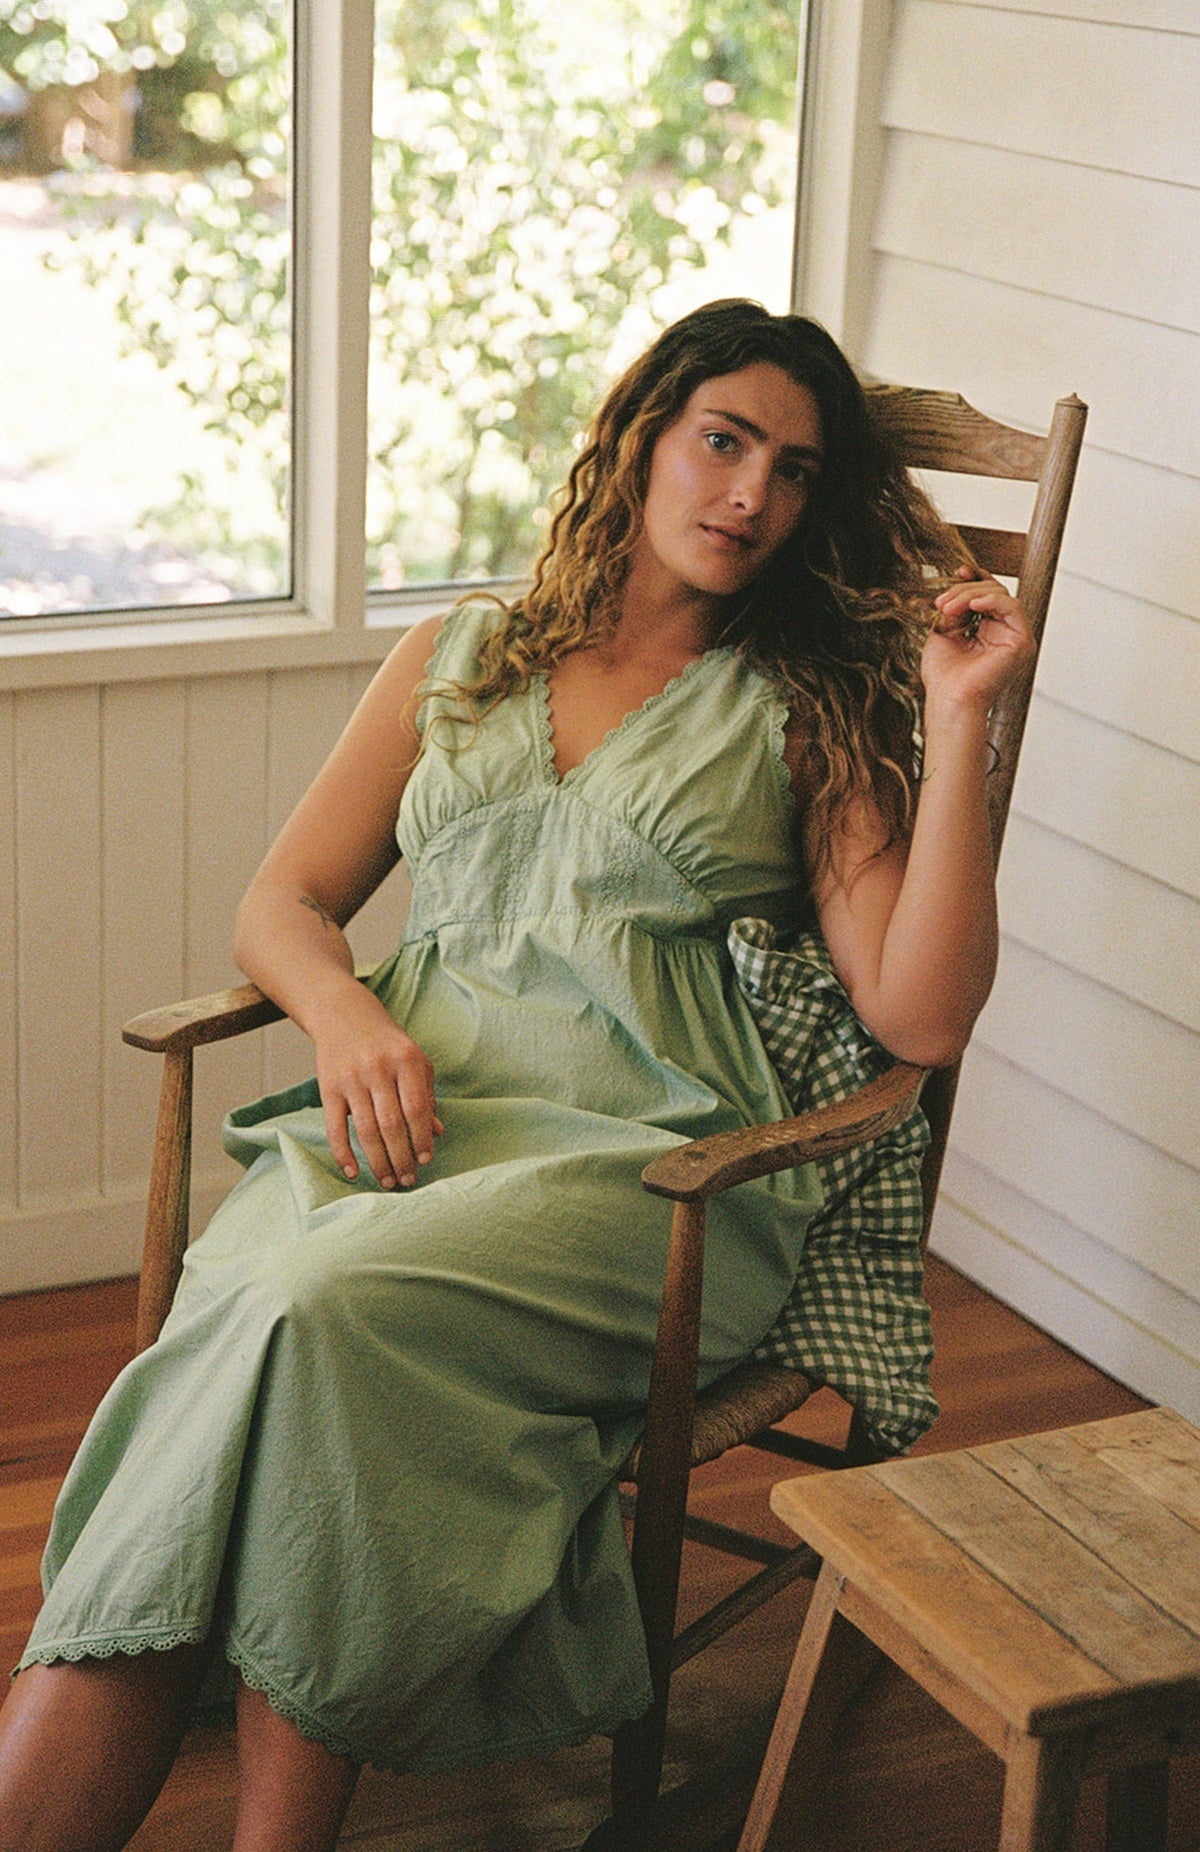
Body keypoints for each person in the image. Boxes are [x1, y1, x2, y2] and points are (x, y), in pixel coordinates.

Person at [0, 299, 1031, 1851]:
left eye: (797, 471)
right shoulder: (462, 654)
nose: (752, 493)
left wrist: (958, 719)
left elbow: (924, 1016)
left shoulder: (804, 710)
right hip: (397, 1136)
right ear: (641, 436)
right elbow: (284, 902)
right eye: (724, 440)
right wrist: (344, 1019)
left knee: (309, 1309)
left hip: (642, 1175)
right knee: (279, 1317)